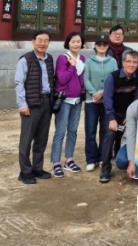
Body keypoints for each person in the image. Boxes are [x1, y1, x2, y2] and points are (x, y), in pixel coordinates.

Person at [15, 30, 55, 184]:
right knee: (26, 139)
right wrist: (22, 105)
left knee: (41, 138)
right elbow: (19, 83)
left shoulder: (50, 59)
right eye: (39, 40)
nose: (42, 43)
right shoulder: (25, 60)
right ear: (33, 42)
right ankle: (25, 172)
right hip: (31, 104)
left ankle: (37, 168)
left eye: (46, 40)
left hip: (47, 102)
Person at [100, 50, 138, 183]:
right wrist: (111, 118)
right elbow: (107, 99)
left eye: (134, 62)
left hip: (128, 114)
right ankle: (105, 167)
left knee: (126, 136)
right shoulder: (112, 77)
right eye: (128, 61)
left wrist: (131, 117)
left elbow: (137, 99)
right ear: (123, 62)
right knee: (110, 134)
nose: (131, 64)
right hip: (112, 113)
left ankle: (121, 161)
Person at [50, 32, 86, 177]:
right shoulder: (62, 58)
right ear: (68, 43)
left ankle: (69, 160)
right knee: (60, 131)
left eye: (78, 41)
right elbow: (62, 79)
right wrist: (71, 66)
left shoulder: (82, 58)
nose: (76, 44)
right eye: (73, 41)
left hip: (77, 101)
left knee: (73, 130)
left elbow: (82, 79)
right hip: (64, 100)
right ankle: (55, 163)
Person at [83, 34, 118, 172]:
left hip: (107, 101)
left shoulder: (113, 61)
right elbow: (85, 79)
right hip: (91, 100)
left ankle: (104, 157)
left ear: (108, 46)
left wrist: (103, 92)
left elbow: (114, 78)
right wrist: (94, 93)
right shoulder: (89, 61)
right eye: (99, 44)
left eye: (104, 44)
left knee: (105, 130)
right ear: (95, 46)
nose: (102, 46)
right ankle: (91, 159)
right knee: (90, 130)